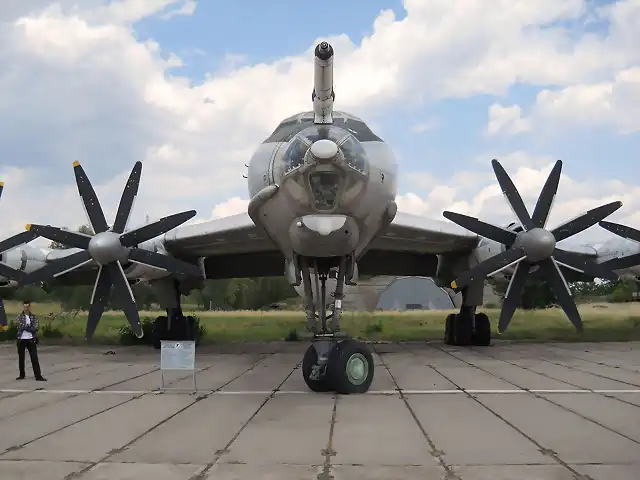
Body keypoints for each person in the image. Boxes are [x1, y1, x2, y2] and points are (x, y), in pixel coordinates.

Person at [15, 300, 46, 381]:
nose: (26, 308)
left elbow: (36, 328)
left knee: (34, 358)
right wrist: (29, 327)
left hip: (31, 340)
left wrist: (26, 327)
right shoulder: (19, 316)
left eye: (27, 307)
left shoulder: (34, 317)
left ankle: (38, 376)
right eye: (24, 307)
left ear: (30, 307)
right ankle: (22, 375)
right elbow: (19, 326)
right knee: (21, 358)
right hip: (21, 339)